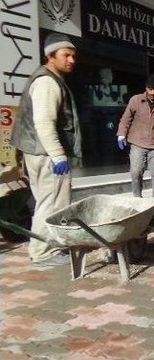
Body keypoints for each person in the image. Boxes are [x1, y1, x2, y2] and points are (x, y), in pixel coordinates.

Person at [10, 33, 80, 266]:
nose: (71, 60)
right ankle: (42, 252)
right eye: (66, 55)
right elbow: (43, 122)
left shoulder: (48, 79)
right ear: (50, 55)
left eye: (73, 55)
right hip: (46, 154)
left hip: (39, 152)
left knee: (46, 202)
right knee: (52, 203)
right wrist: (58, 155)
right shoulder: (47, 82)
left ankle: (46, 246)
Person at [116, 74, 154, 197]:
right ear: (146, 88)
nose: (153, 92)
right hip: (137, 143)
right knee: (136, 172)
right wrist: (121, 134)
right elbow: (126, 119)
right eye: (150, 89)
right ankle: (137, 198)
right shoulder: (136, 100)